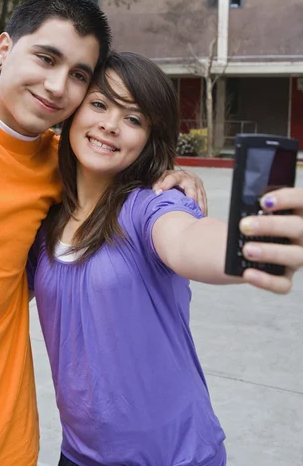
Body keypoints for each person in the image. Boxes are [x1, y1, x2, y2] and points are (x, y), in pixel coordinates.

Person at [0, 0, 204, 466]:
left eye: (79, 75)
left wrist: (178, 182)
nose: (57, 85)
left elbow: (171, 228)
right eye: (46, 58)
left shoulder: (60, 166)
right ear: (4, 49)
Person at [27, 51, 303, 466]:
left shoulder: (151, 207)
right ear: (74, 110)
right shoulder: (44, 221)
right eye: (100, 104)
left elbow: (187, 239)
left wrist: (245, 246)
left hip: (176, 456)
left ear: (148, 139)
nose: (111, 125)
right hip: (79, 455)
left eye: (134, 119)